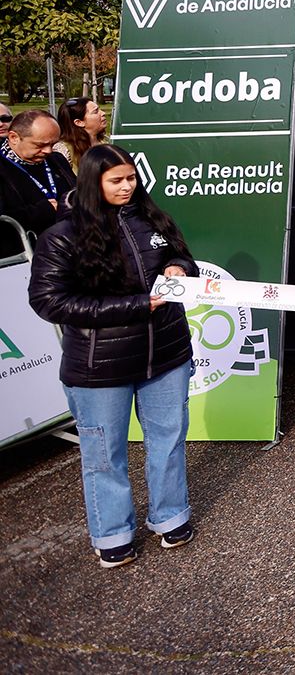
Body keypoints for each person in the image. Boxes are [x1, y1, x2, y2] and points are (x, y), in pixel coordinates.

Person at [28, 144, 199, 568]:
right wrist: (139, 305)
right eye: (116, 180)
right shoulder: (63, 235)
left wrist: (179, 267)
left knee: (169, 438)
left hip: (166, 352)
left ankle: (171, 517)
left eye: (131, 178)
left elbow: (183, 257)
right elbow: (51, 301)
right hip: (99, 365)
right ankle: (113, 535)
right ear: (93, 182)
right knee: (104, 453)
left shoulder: (152, 218)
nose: (127, 187)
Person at [0, 109, 76, 237]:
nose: (48, 151)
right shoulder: (3, 168)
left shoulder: (56, 160)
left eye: (53, 144)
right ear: (14, 138)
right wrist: (44, 210)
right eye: (40, 145)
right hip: (24, 248)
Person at [55, 97, 108, 172]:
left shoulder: (105, 143)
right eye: (95, 111)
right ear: (79, 122)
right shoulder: (64, 151)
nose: (103, 113)